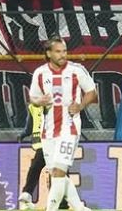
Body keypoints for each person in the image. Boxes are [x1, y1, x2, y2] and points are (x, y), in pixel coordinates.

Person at [28, 38, 96, 211]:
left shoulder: (76, 70)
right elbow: (33, 97)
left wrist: (80, 105)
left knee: (59, 172)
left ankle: (51, 209)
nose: (63, 55)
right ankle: (80, 208)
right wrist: (39, 101)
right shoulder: (40, 73)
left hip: (69, 128)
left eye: (64, 51)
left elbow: (92, 92)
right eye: (58, 51)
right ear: (49, 53)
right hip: (48, 131)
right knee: (56, 173)